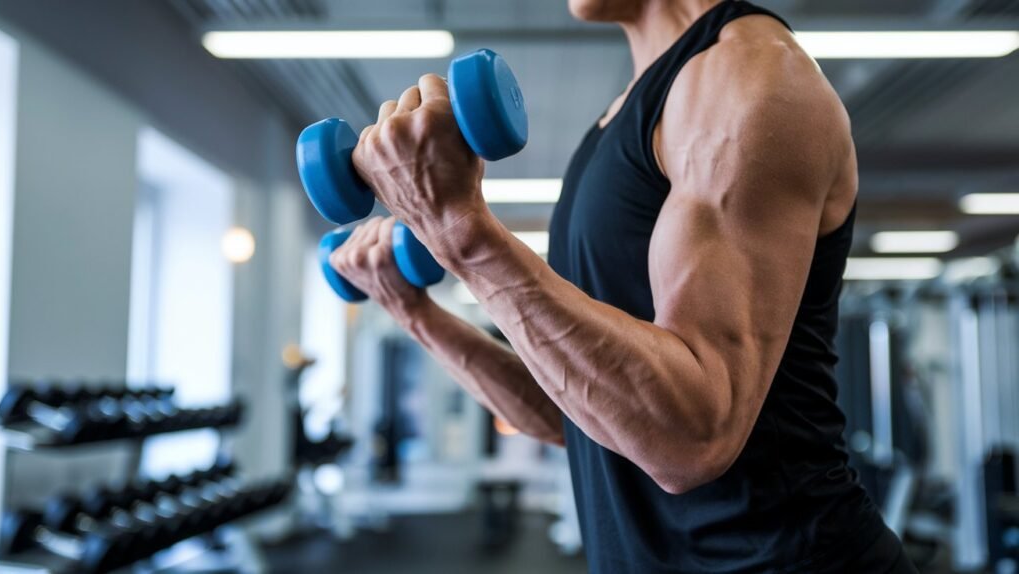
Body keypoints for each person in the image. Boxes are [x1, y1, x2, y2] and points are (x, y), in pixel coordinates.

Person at [329, 0, 916, 571]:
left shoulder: (749, 76)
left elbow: (691, 437)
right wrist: (415, 313)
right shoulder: (622, 117)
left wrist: (458, 231)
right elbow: (583, 408)